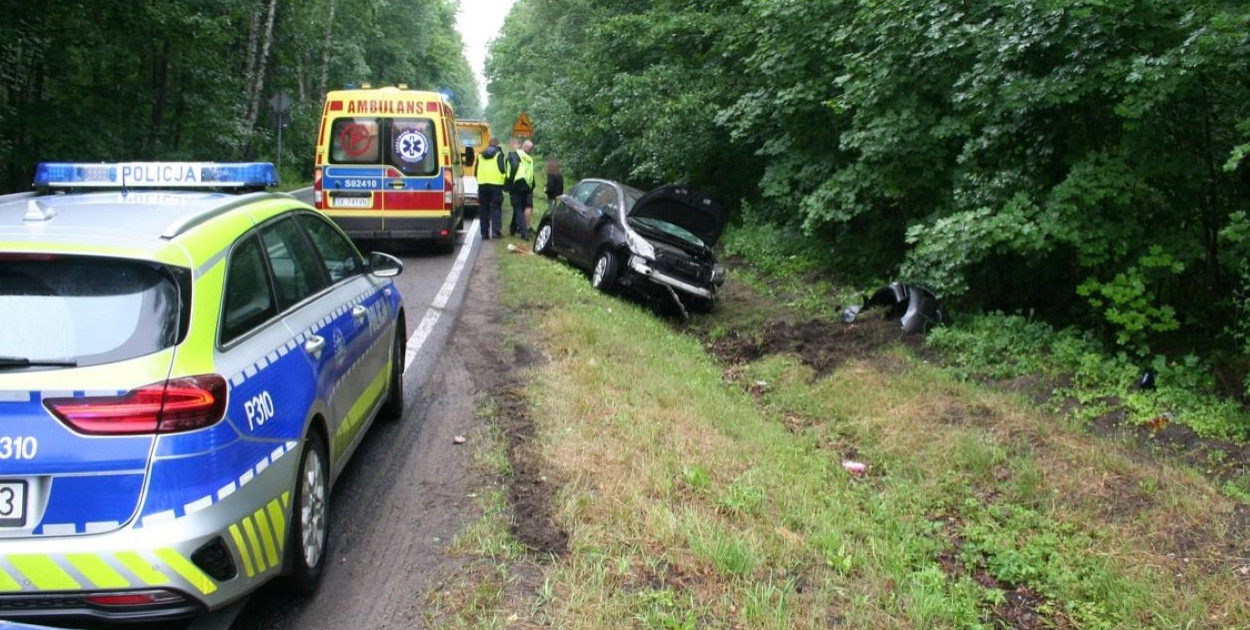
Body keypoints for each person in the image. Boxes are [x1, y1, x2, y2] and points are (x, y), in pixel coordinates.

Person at [475, 138, 507, 239]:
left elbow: (476, 171)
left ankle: (484, 234)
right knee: (496, 208)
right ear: (497, 144)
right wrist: (504, 182)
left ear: (489, 144)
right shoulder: (498, 154)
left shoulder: (480, 155)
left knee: (484, 210)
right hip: (496, 185)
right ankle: (496, 232)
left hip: (483, 185)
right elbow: (502, 170)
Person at [505, 139, 536, 239]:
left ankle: (524, 232)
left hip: (516, 184)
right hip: (527, 186)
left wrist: (509, 184)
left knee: (518, 208)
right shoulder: (530, 159)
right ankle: (512, 228)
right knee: (518, 207)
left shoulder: (515, 154)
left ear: (524, 146)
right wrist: (531, 188)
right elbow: (532, 175)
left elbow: (513, 168)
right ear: (528, 148)